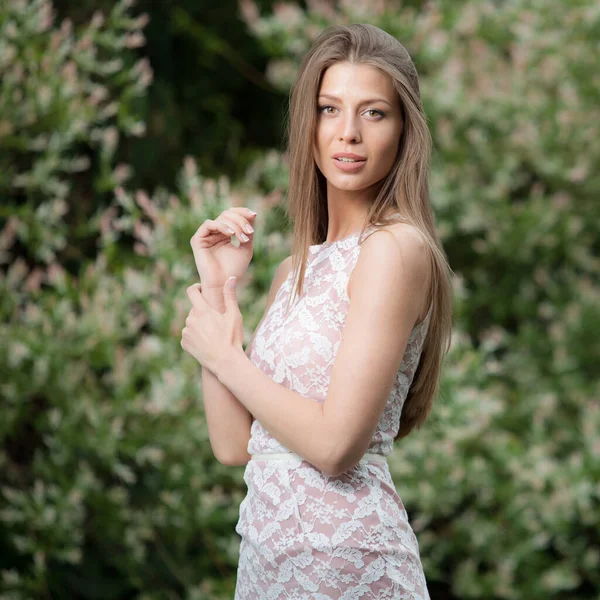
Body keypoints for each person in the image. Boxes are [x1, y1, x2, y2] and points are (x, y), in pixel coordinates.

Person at [181, 23, 453, 600]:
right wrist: (221, 289)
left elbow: (335, 448)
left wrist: (226, 360)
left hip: (346, 567)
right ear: (309, 124)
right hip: (265, 563)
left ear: (405, 131)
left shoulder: (394, 249)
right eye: (330, 109)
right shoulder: (292, 269)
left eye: (374, 113)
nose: (348, 133)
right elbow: (234, 446)